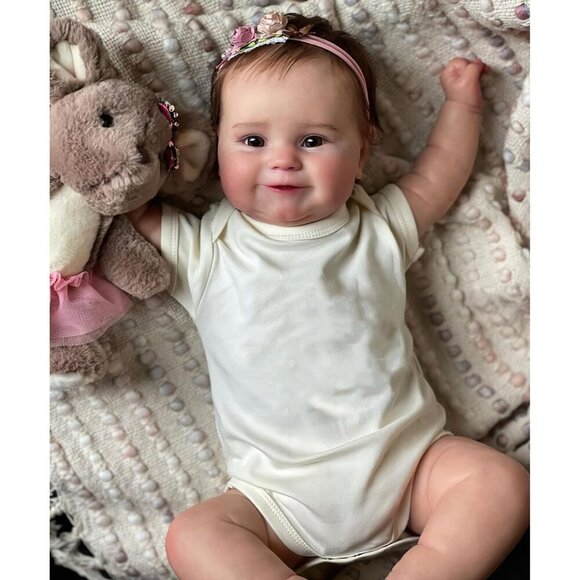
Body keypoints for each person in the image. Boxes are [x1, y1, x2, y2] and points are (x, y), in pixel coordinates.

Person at [129, 12, 529, 580]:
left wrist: (462, 104)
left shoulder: (378, 229)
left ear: (362, 152)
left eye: (313, 140)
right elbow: (123, 202)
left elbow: (441, 172)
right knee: (192, 536)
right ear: (215, 151)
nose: (283, 159)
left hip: (411, 465)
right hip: (275, 499)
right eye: (252, 140)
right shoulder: (205, 249)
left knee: (501, 483)